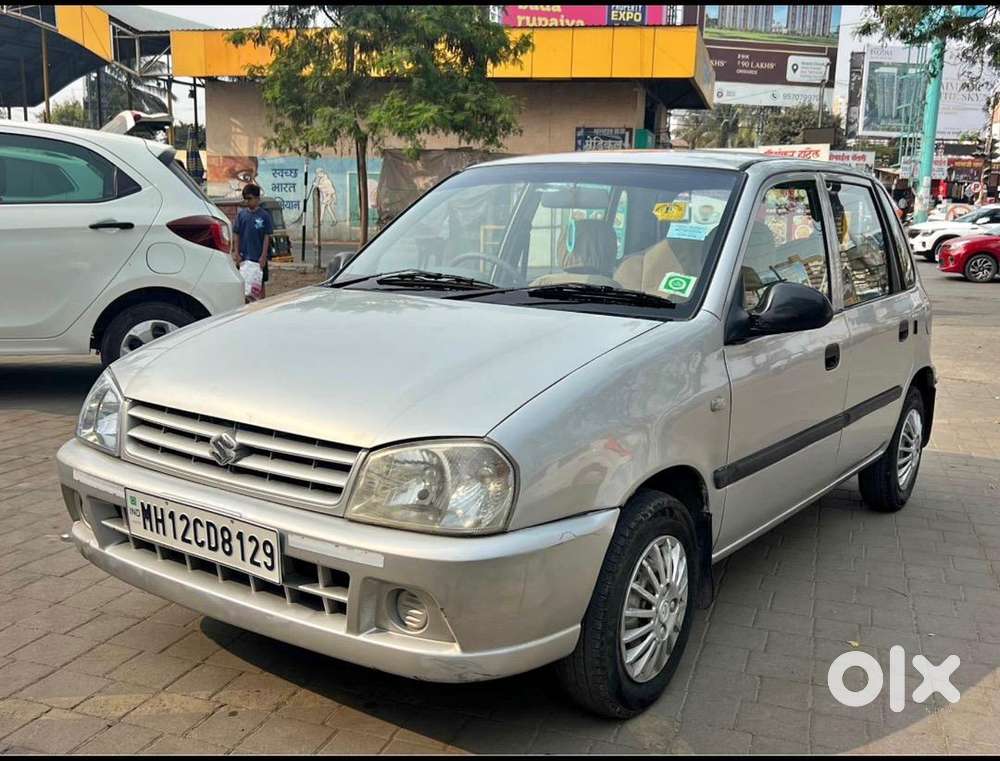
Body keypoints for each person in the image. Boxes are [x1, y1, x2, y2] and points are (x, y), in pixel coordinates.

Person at [232, 184, 273, 299]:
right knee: (244, 285)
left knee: (259, 283)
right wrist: (237, 253)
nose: (247, 201)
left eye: (250, 198)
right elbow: (237, 234)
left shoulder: (264, 216)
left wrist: (264, 256)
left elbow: (267, 236)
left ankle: (262, 308)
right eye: (245, 199)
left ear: (257, 199)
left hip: (258, 257)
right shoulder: (241, 215)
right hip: (244, 257)